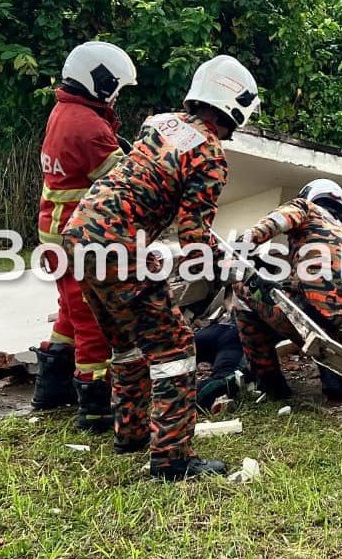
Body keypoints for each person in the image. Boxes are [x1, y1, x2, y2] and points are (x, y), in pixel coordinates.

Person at [61, 54, 259, 480]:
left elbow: (143, 186)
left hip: (79, 236)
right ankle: (171, 460)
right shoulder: (210, 154)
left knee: (126, 344)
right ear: (236, 105)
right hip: (118, 246)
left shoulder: (161, 122)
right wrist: (226, 266)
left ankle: (129, 432)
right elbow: (193, 234)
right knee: (174, 349)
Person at [33, 42, 135, 411]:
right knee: (93, 316)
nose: (117, 95)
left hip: (55, 233)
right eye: (117, 87)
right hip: (80, 238)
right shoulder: (88, 125)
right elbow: (121, 182)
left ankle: (52, 387)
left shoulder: (64, 111)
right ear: (100, 81)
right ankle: (95, 403)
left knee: (69, 310)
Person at [234, 179, 342, 402]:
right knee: (310, 303)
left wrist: (244, 242)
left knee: (242, 291)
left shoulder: (306, 208)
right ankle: (332, 375)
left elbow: (279, 220)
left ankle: (272, 386)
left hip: (312, 322)